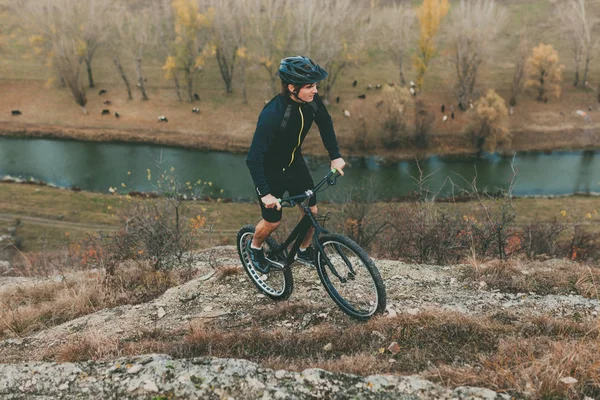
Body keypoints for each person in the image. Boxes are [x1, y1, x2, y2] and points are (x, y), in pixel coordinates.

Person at [245, 55, 346, 272]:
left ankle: (302, 250)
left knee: (311, 211)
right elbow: (253, 158)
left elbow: (325, 124)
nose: (315, 91)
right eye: (310, 86)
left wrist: (335, 156)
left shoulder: (312, 102)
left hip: (294, 163)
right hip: (270, 171)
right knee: (272, 223)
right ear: (292, 87)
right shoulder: (273, 114)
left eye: (316, 85)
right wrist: (265, 194)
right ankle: (254, 247)